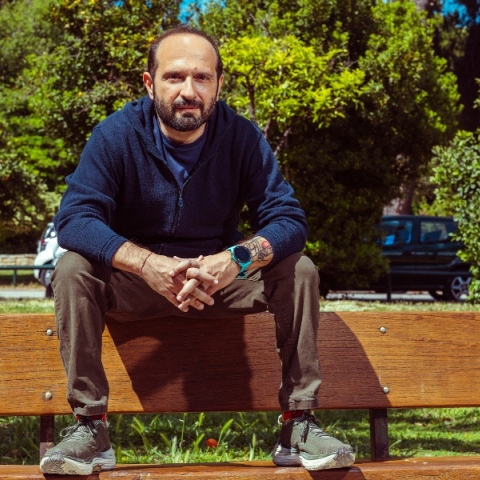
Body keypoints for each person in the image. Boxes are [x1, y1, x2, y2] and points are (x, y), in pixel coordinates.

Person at [40, 25, 355, 475]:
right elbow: (74, 218)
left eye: (202, 77)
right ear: (149, 83)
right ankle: (91, 428)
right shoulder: (115, 135)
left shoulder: (242, 137)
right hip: (137, 286)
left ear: (218, 84)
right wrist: (146, 264)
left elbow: (289, 220)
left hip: (217, 284)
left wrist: (235, 260)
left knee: (298, 268)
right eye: (174, 77)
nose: (188, 91)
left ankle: (298, 423)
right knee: (73, 268)